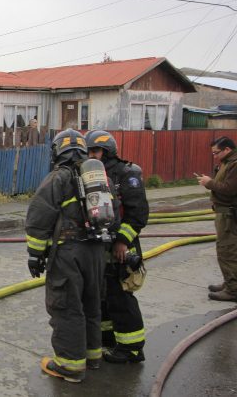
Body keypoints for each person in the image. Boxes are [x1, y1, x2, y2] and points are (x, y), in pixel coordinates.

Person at [26, 129, 104, 383]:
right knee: (91, 303)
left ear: (57, 151)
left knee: (67, 306)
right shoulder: (98, 177)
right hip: (95, 250)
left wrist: (35, 255)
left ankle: (69, 366)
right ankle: (92, 357)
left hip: (68, 251)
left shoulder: (58, 177)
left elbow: (39, 217)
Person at [85, 130, 148, 363]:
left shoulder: (126, 174)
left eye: (96, 150)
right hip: (101, 248)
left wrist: (123, 241)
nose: (91, 155)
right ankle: (109, 340)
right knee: (104, 296)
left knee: (121, 297)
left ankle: (131, 348)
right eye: (89, 151)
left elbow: (138, 213)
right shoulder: (93, 175)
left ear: (108, 151)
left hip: (122, 248)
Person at [197, 136, 237, 302]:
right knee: (229, 250)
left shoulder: (234, 164)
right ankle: (230, 282)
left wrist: (209, 183)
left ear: (227, 149)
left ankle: (233, 290)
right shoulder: (227, 163)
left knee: (226, 251)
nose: (214, 156)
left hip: (228, 214)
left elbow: (229, 189)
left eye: (216, 153)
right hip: (224, 213)